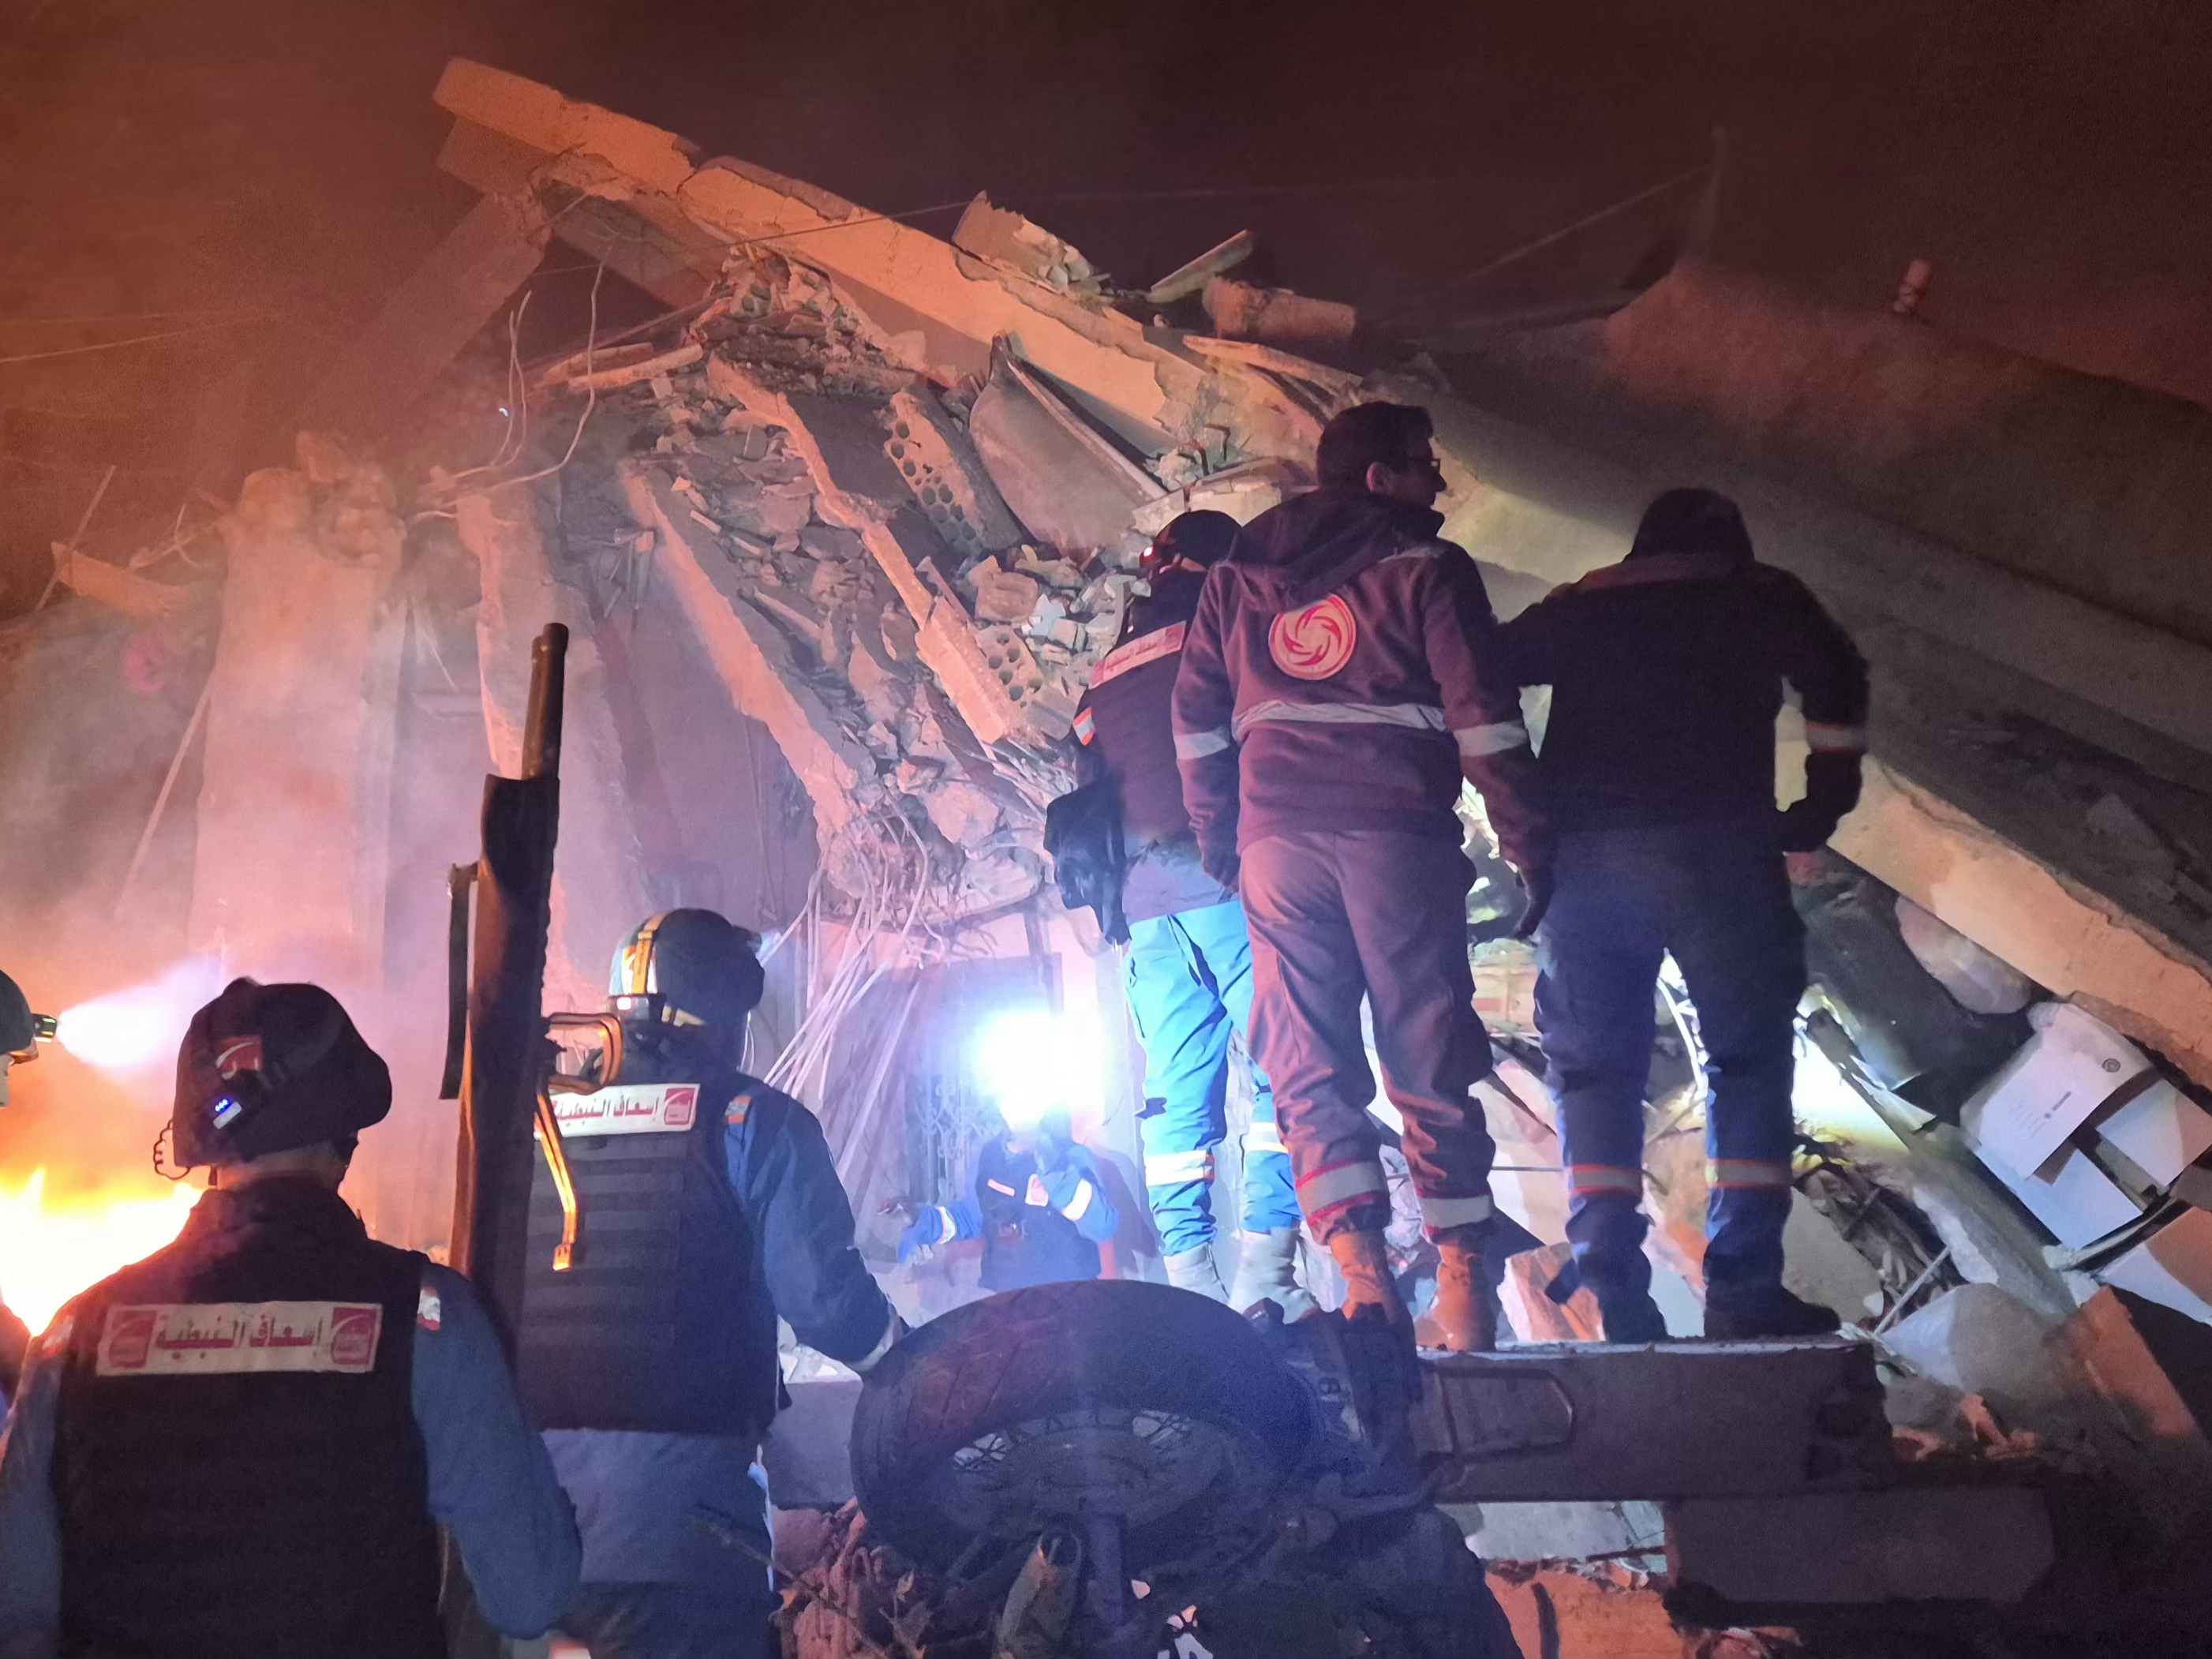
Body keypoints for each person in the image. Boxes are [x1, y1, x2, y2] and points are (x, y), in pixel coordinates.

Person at [0, 977, 580, 1659]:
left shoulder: (76, 1333)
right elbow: (529, 1593)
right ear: (346, 1130)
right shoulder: (425, 1318)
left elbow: (19, 1608)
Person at [1173, 401, 1544, 1352]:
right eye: (1426, 466)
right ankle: (1463, 1289)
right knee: (1426, 1051)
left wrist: (1226, 840)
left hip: (1276, 849)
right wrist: (1525, 839)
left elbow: (1197, 725)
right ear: (1380, 478)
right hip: (1394, 838)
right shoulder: (1427, 566)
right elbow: (1486, 720)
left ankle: (1364, 1287)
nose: (1441, 486)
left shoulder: (1232, 578)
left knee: (1304, 1064)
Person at [1497, 487, 1870, 1340]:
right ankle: (1742, 1289)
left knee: (1595, 1076)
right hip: (1722, 854)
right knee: (1746, 1065)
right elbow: (1838, 678)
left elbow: (1480, 670)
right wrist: (1821, 802)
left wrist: (1523, 805)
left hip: (1589, 861)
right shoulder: (1763, 594)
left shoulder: (1582, 604)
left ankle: (1614, 1290)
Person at [522, 909, 901, 1659]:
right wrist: (917, 1367)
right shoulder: (750, 1120)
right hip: (684, 1532)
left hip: (526, 1531)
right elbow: (827, 1305)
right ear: (729, 1015)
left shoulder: (535, 1122)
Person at [1069, 509, 1312, 1316]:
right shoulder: (1235, 626)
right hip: (1222, 881)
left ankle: (1192, 1290)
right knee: (1287, 1063)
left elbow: (1085, 774)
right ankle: (1268, 1273)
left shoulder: (1104, 670)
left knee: (1176, 1093)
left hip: (1141, 908)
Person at [900, 1095, 1122, 1291]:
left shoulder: (1071, 1158)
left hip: (1067, 1305)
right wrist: (921, 1221)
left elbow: (1103, 1227)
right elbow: (971, 1218)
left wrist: (1056, 1173)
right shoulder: (988, 1157)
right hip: (1010, 1308)